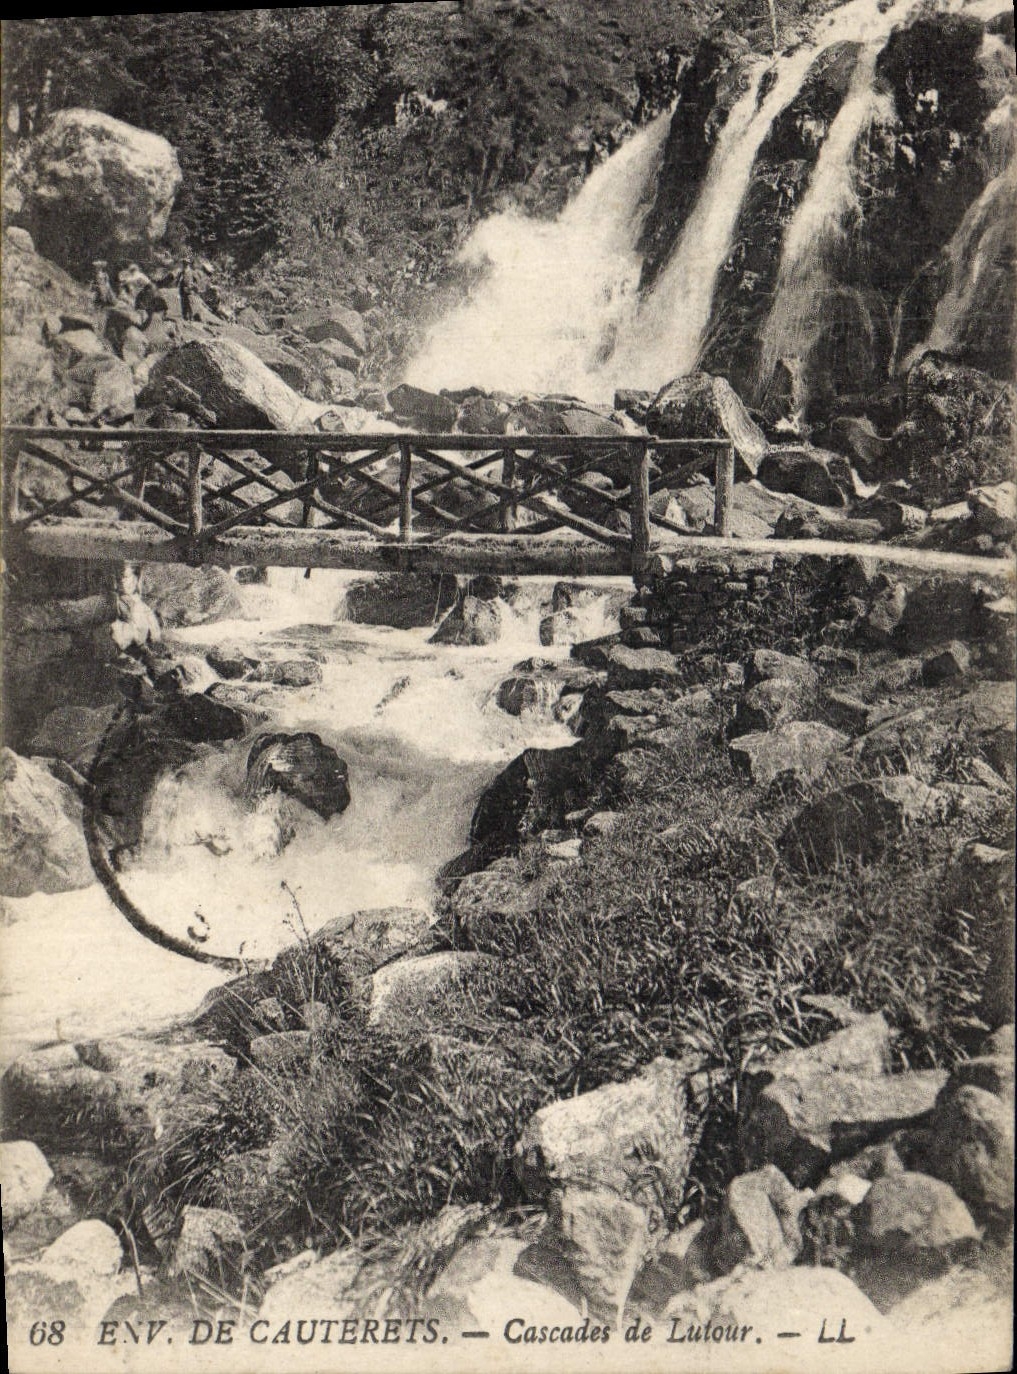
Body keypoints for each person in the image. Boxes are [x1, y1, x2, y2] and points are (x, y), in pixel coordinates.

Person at [179, 255, 200, 321]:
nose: (185, 264)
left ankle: (191, 319)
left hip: (189, 291)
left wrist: (192, 286)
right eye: (184, 262)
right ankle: (185, 319)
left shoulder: (192, 272)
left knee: (190, 305)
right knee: (183, 305)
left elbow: (197, 281)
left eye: (186, 263)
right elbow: (179, 281)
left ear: (188, 264)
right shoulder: (182, 272)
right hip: (182, 291)